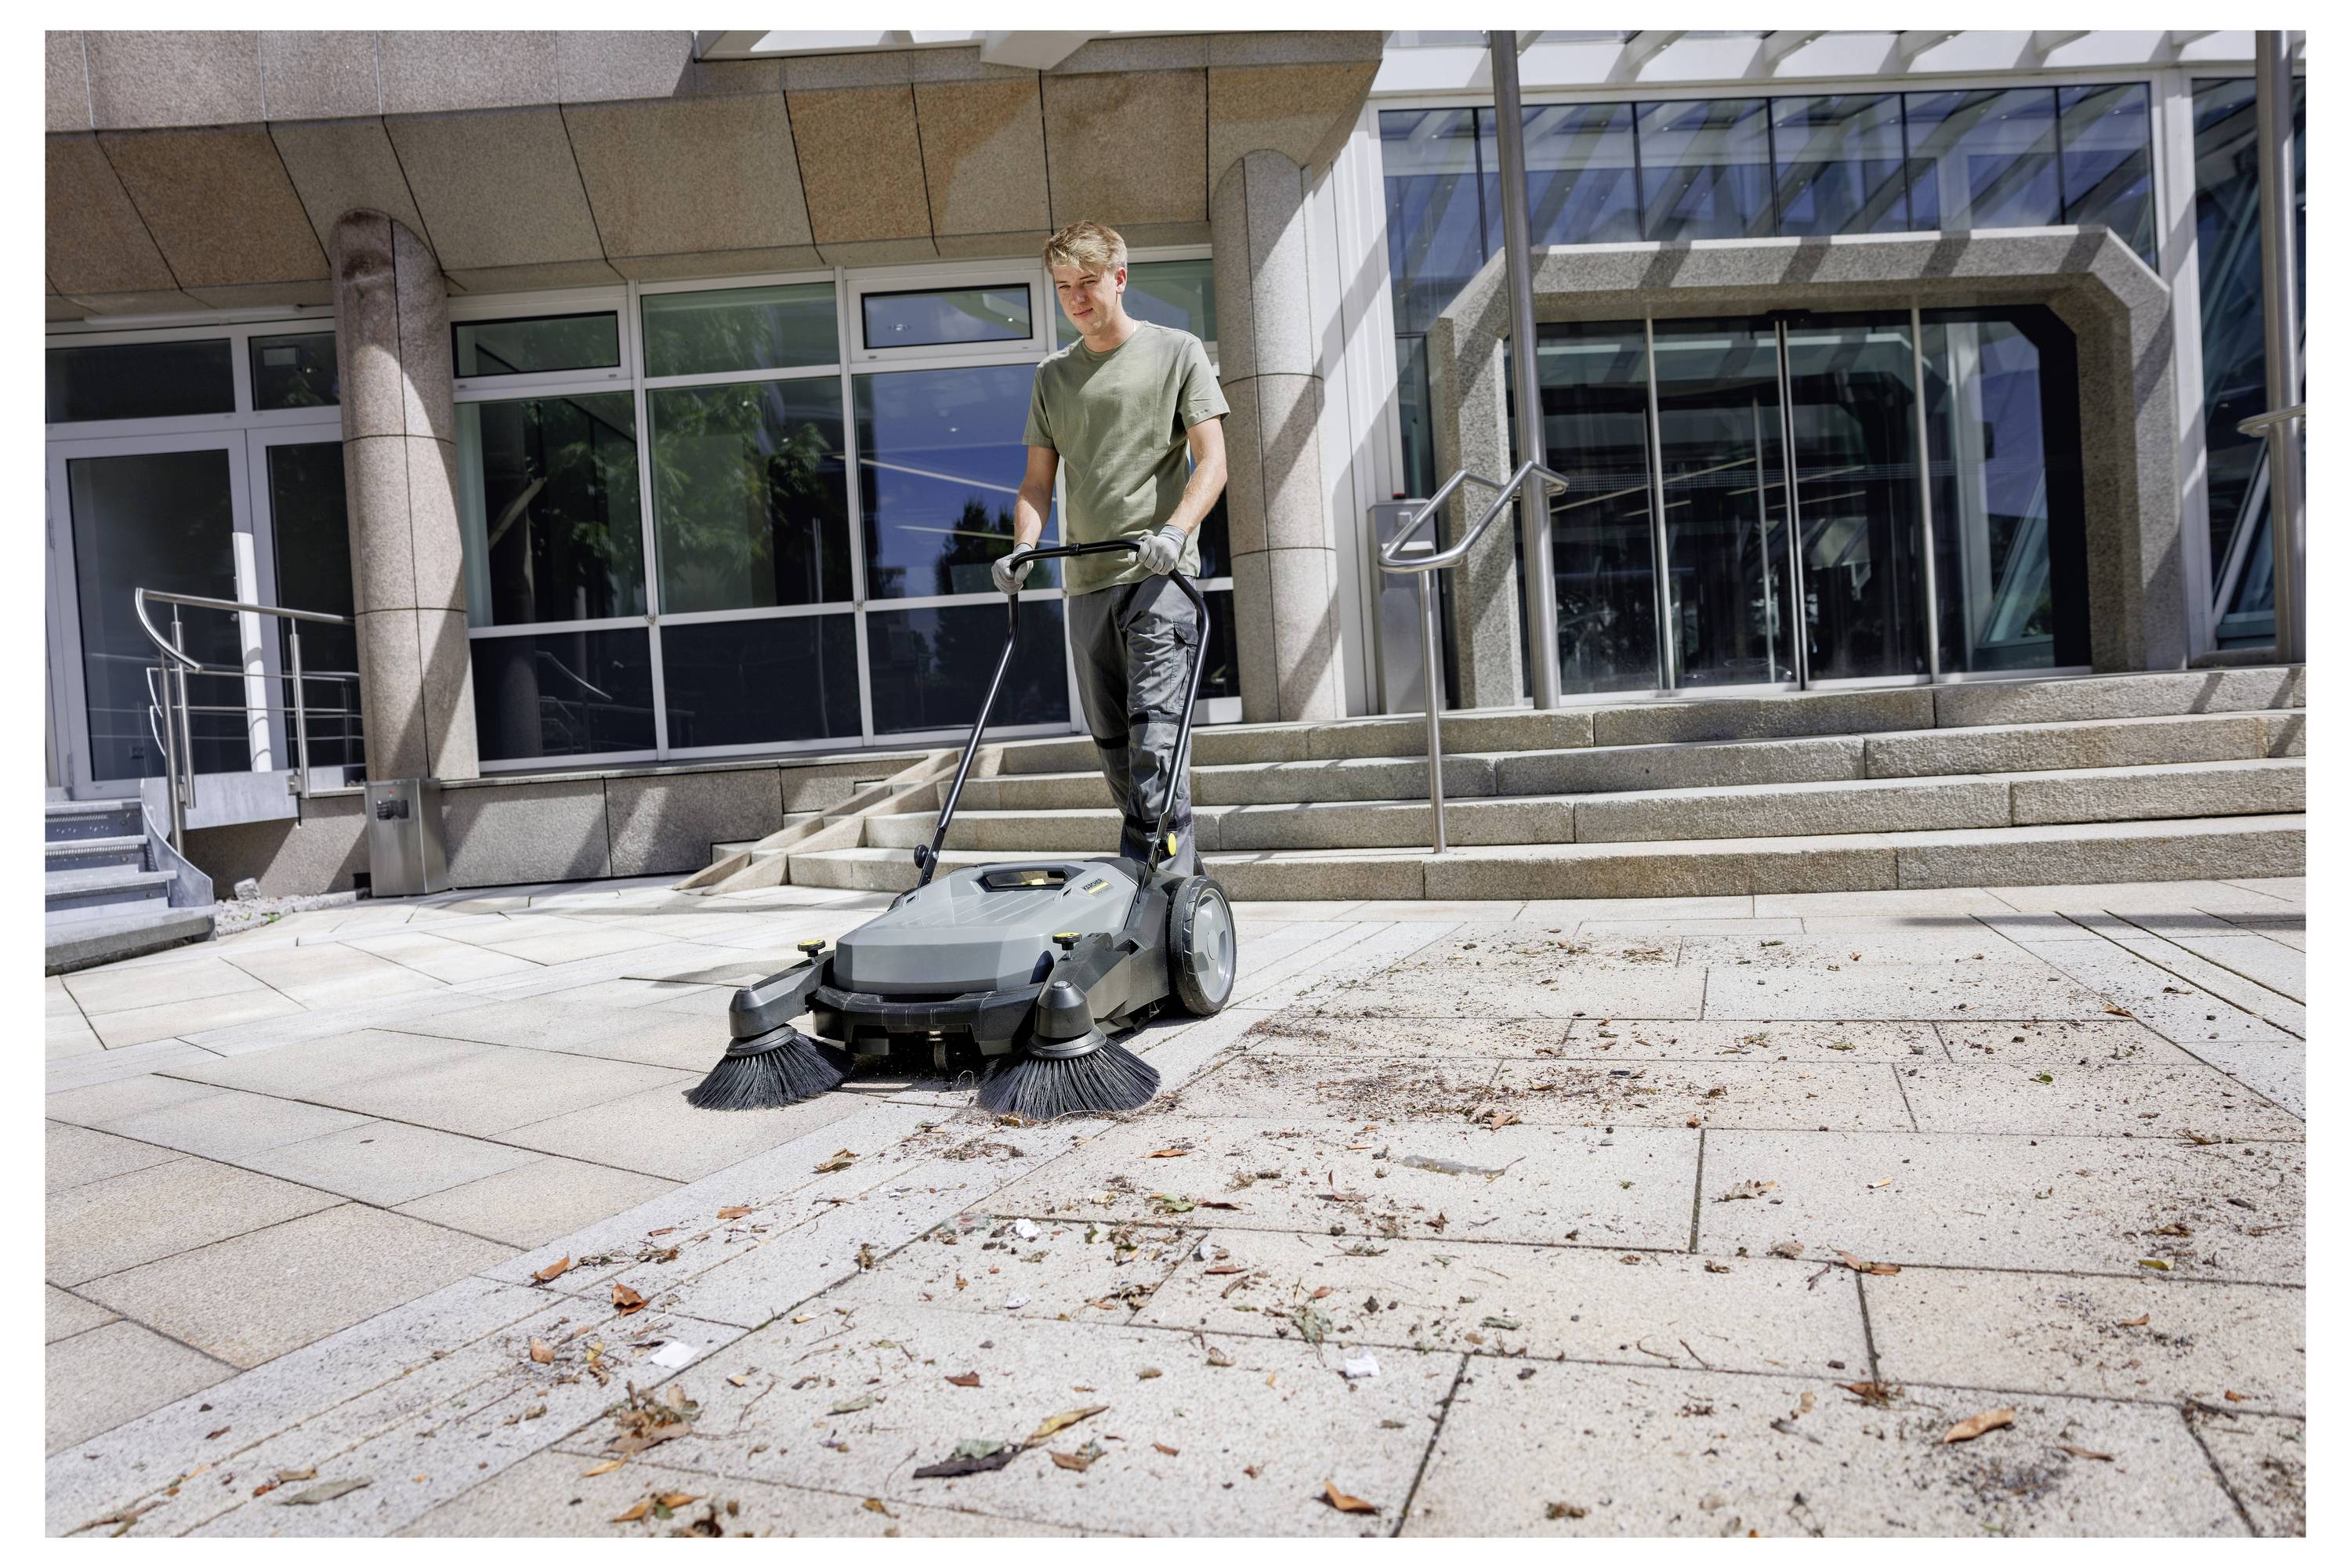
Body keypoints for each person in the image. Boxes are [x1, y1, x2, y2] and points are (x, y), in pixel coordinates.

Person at [998, 220, 1228, 876]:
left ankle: (1154, 887)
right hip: (1086, 583)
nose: (1076, 299)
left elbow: (1212, 461)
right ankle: (1175, 880)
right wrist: (1022, 546)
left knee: (1158, 739)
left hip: (1160, 576)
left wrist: (1177, 531)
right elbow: (1038, 483)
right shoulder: (1053, 377)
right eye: (1064, 287)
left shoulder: (1177, 351)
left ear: (1120, 277)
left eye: (1088, 283)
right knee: (1116, 749)